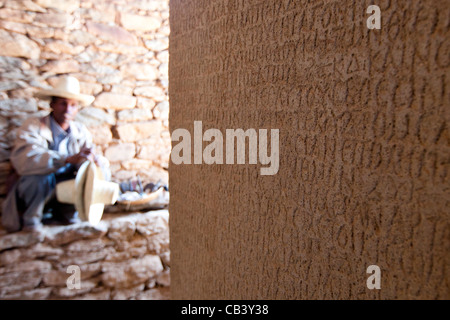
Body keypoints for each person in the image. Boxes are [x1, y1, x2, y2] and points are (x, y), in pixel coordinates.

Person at [2, 76, 110, 232]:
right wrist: (66, 159)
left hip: (64, 186)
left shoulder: (80, 131)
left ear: (77, 109)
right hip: (39, 188)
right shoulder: (33, 126)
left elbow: (88, 156)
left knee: (97, 172)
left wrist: (93, 160)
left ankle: (69, 213)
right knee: (39, 178)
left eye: (73, 105)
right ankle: (31, 221)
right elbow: (26, 160)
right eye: (62, 104)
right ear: (52, 104)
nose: (68, 109)